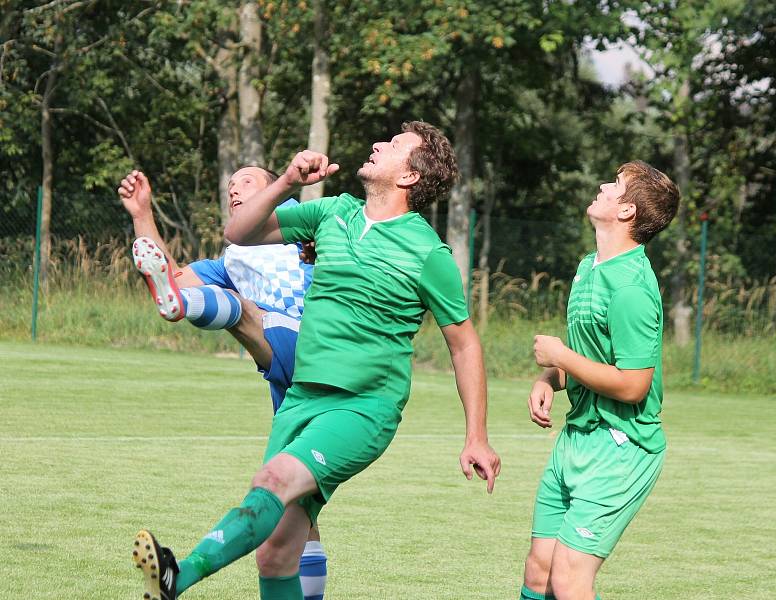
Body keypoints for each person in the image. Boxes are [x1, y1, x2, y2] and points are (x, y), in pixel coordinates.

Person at [131, 121, 501, 600]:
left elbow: (464, 344)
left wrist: (477, 436)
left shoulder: (429, 253)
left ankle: (177, 576)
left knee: (272, 480)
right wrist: (286, 182)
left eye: (393, 146)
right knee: (277, 554)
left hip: (362, 408)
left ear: (409, 177)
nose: (377, 144)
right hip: (301, 399)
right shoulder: (334, 212)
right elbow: (238, 233)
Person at [117, 167, 327, 600]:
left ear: (273, 189)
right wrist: (142, 213)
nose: (234, 187)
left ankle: (182, 307)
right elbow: (171, 273)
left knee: (237, 309)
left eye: (247, 181)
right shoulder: (234, 256)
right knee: (296, 521)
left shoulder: (301, 219)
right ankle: (178, 305)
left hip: (311, 342)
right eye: (230, 185)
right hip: (291, 384)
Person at [519, 161, 680, 600]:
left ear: (627, 212)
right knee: (540, 571)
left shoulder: (631, 287)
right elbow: (587, 358)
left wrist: (560, 355)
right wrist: (549, 378)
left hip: (621, 448)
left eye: (615, 186)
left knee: (569, 580)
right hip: (577, 439)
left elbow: (633, 385)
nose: (603, 186)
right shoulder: (590, 266)